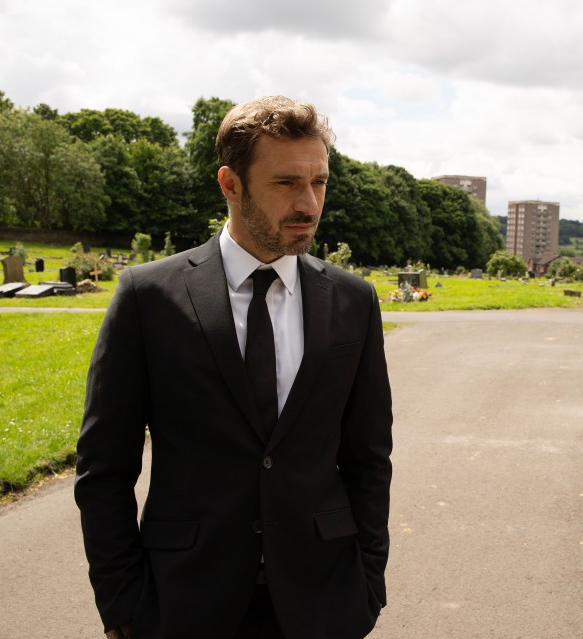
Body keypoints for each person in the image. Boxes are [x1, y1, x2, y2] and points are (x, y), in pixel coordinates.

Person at [75, 96, 393, 639]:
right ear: (230, 184)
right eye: (286, 183)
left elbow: (368, 458)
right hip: (182, 601)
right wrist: (122, 605)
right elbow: (104, 467)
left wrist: (367, 585)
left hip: (322, 602)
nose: (309, 204)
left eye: (319, 182)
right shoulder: (148, 297)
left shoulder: (352, 300)